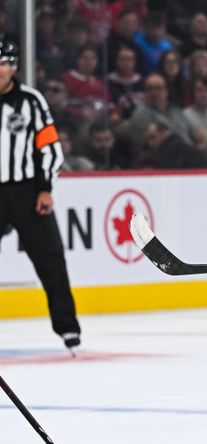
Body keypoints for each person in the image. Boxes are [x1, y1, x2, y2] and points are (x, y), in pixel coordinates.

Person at [0, 40, 81, 351]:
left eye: (7, 63)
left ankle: (67, 327)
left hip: (27, 191)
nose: (1, 69)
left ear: (15, 67)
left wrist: (45, 188)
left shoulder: (31, 102)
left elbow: (49, 148)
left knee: (50, 258)